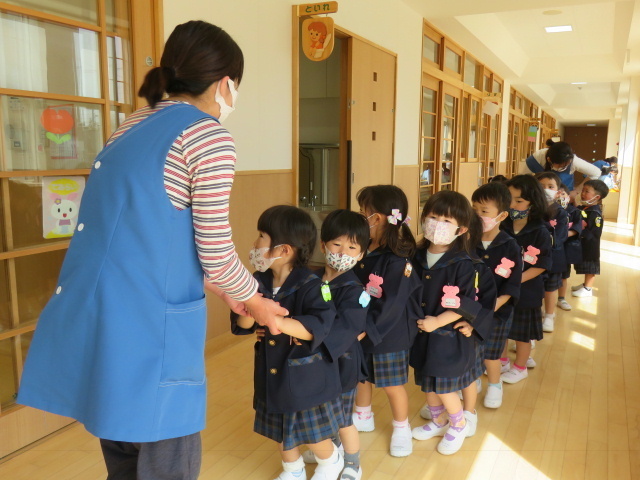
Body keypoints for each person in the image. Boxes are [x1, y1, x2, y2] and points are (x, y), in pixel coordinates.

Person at [18, 20, 288, 480]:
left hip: (104, 319)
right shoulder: (208, 136)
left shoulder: (131, 125)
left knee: (122, 450)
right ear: (226, 83)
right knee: (168, 457)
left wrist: (225, 290)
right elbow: (216, 247)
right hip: (151, 325)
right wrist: (255, 298)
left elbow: (144, 233)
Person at [231, 205, 344, 480]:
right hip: (272, 371)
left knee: (312, 432)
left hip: (305, 375)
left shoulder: (313, 284)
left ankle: (331, 461)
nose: (255, 244)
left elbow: (319, 327)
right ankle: (292, 469)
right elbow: (243, 326)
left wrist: (274, 321)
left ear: (284, 250)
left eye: (262, 237)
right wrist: (247, 309)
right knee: (282, 429)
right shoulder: (256, 281)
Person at [410, 191, 494, 455]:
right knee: (427, 381)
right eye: (433, 217)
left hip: (447, 335)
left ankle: (458, 424)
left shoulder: (465, 263)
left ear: (462, 228)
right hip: (423, 333)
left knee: (444, 385)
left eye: (446, 221)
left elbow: (466, 302)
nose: (437, 225)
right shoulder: (417, 254)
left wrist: (438, 321)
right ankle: (438, 420)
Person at [351, 185, 423, 458]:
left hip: (388, 332)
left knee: (392, 385)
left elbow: (392, 306)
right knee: (361, 376)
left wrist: (365, 330)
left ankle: (401, 428)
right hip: (361, 325)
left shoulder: (398, 259)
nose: (361, 217)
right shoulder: (363, 247)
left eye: (363, 212)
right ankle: (363, 415)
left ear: (377, 218)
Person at [301, 209, 370, 480]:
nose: (343, 252)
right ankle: (331, 450)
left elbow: (350, 327)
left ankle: (352, 463)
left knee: (342, 417)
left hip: (343, 363)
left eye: (352, 247)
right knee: (320, 408)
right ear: (323, 245)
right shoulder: (310, 280)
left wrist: (313, 338)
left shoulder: (355, 290)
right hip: (315, 360)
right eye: (336, 244)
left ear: (361, 254)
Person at [471, 182, 523, 408]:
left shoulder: (510, 245)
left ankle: (494, 384)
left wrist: (495, 304)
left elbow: (512, 284)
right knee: (471, 349)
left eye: (484, 212)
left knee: (491, 353)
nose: (478, 216)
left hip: (497, 310)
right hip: (471, 308)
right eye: (474, 210)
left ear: (501, 215)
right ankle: (473, 381)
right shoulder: (468, 240)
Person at [500, 175, 552, 384]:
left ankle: (520, 366)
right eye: (509, 199)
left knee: (523, 332)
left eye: (519, 201)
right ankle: (501, 360)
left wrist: (516, 279)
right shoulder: (502, 226)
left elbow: (541, 264)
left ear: (533, 202)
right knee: (502, 327)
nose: (512, 205)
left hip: (527, 289)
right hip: (502, 287)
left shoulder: (540, 230)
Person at [535, 172, 569, 333]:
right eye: (541, 187)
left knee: (551, 287)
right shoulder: (532, 210)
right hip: (533, 257)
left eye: (550, 187)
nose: (546, 190)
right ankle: (536, 314)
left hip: (554, 257)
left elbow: (560, 237)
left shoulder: (561, 212)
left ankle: (549, 315)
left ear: (558, 191)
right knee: (535, 286)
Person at [571, 180, 609, 298]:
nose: (583, 193)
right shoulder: (586, 208)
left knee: (590, 267)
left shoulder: (595, 213)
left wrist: (581, 231)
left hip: (590, 246)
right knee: (584, 265)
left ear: (597, 197)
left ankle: (588, 288)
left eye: (587, 191)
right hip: (584, 244)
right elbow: (579, 212)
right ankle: (584, 285)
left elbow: (595, 232)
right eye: (583, 190)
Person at [524, 139, 601, 191]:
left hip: (563, 196)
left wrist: (576, 191)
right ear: (549, 160)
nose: (562, 168)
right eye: (560, 167)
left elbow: (596, 173)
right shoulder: (537, 157)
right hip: (540, 195)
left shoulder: (574, 161)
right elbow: (524, 179)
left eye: (565, 166)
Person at [556, 184, 583, 311]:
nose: (560, 196)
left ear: (569, 197)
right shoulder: (549, 211)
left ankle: (561, 298)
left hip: (565, 248)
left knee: (563, 275)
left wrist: (563, 234)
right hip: (550, 248)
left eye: (563, 194)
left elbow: (577, 228)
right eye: (557, 193)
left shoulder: (574, 212)